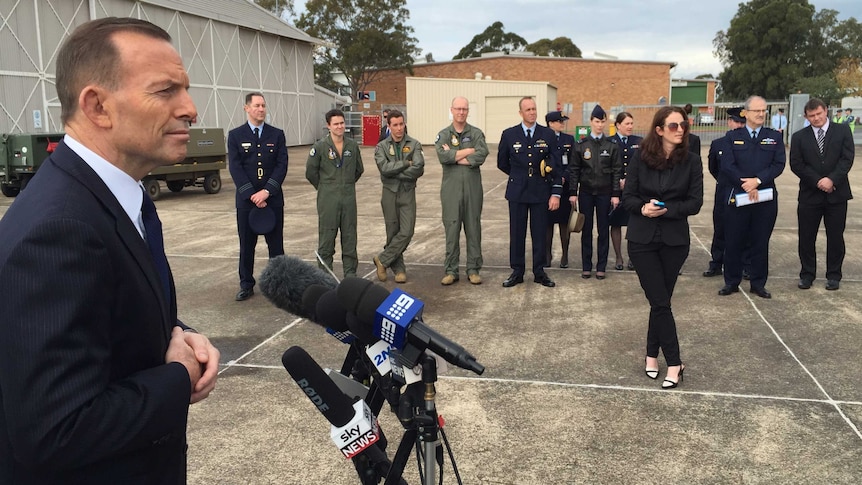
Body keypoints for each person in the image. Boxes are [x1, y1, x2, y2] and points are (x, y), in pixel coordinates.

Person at [0, 17, 219, 483]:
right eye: (165, 91)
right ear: (98, 106)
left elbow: (104, 313)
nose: (191, 108)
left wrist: (178, 331)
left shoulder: (123, 196)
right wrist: (177, 378)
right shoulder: (59, 230)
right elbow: (53, 431)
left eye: (186, 89)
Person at [622, 106, 703, 389]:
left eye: (683, 125)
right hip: (642, 240)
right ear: (659, 130)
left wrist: (665, 210)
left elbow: (695, 203)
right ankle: (676, 362)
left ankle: (650, 354)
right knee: (660, 301)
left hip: (674, 241)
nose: (680, 129)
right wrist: (643, 209)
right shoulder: (639, 158)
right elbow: (627, 197)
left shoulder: (691, 161)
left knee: (660, 302)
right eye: (673, 126)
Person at [718, 95, 786, 299]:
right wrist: (745, 183)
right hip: (738, 197)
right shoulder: (732, 137)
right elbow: (727, 165)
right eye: (756, 110)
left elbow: (778, 164)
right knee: (734, 241)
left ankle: (758, 283)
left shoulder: (774, 136)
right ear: (745, 113)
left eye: (764, 110)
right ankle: (731, 281)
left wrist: (757, 181)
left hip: (764, 198)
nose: (760, 114)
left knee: (760, 242)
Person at [228, 92, 288, 301]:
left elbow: (281, 165)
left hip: (272, 200)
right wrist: (251, 194)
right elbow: (235, 167)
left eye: (263, 105)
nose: (261, 109)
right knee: (246, 245)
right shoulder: (236, 135)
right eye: (257, 105)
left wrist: (267, 191)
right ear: (247, 108)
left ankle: (278, 285)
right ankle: (246, 284)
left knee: (276, 246)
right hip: (247, 202)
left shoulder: (277, 134)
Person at [790, 98, 855, 291]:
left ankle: (834, 275)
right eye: (812, 116)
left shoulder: (842, 131)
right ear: (806, 117)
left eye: (819, 113)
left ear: (826, 111)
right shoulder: (799, 137)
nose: (816, 118)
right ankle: (807, 274)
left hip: (837, 194)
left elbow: (847, 158)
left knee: (835, 236)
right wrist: (818, 181)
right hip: (810, 195)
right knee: (806, 237)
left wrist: (832, 179)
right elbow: (797, 164)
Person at [497, 97, 562, 288]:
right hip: (517, 192)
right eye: (528, 110)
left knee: (539, 233)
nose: (532, 112)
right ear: (521, 113)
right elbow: (502, 162)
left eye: (534, 109)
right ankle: (517, 272)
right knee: (517, 233)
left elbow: (556, 165)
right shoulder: (509, 134)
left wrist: (555, 193)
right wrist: (519, 176)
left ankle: (539, 272)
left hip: (540, 191)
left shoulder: (548, 134)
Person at [435, 96, 489, 285]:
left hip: (473, 190)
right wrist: (468, 151)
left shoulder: (476, 133)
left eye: (464, 109)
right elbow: (443, 155)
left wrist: (455, 155)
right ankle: (451, 270)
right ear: (452, 110)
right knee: (451, 228)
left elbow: (482, 153)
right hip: (451, 190)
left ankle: (473, 269)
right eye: (458, 109)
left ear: (468, 111)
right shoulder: (443, 134)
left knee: (473, 228)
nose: (461, 112)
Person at [306, 108, 364, 278]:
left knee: (349, 236)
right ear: (328, 126)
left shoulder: (352, 146)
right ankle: (324, 275)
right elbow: (310, 172)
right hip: (327, 200)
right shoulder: (320, 147)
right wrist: (325, 187)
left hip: (348, 198)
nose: (340, 127)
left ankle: (350, 274)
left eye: (342, 123)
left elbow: (359, 170)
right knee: (326, 237)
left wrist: (345, 184)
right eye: (336, 124)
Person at [569, 104, 622, 280]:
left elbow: (616, 171)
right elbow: (574, 169)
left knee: (603, 230)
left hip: (605, 193)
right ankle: (586, 266)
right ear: (591, 122)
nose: (600, 125)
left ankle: (601, 267)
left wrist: (615, 194)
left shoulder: (612, 145)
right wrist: (572, 192)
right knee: (586, 230)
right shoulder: (581, 145)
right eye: (597, 121)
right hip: (585, 192)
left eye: (602, 122)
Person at [373, 110, 425, 283]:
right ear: (389, 126)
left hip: (407, 192)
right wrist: (405, 163)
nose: (399, 128)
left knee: (407, 231)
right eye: (395, 125)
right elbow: (384, 169)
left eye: (401, 124)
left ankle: (382, 260)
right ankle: (399, 268)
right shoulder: (381, 146)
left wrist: (394, 171)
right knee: (392, 231)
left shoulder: (415, 144)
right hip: (389, 193)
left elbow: (418, 169)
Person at [702, 107, 747, 277]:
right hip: (724, 191)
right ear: (729, 122)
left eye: (742, 123)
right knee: (720, 227)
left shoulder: (751, 144)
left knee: (744, 230)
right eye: (736, 122)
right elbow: (714, 169)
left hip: (745, 191)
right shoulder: (718, 144)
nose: (739, 126)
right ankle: (716, 263)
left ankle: (745, 265)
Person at [608, 111, 642, 271]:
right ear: (618, 125)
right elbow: (605, 166)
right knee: (615, 223)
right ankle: (618, 257)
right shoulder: (610, 142)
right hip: (615, 189)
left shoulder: (639, 141)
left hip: (634, 190)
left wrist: (631, 181)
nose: (630, 126)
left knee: (633, 224)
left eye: (631, 123)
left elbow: (643, 165)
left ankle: (633, 258)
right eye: (627, 124)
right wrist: (617, 181)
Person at [544, 110, 575, 269]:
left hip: (565, 185)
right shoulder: (543, 138)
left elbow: (573, 162)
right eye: (559, 121)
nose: (562, 123)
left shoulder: (568, 139)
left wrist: (565, 177)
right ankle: (547, 255)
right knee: (547, 224)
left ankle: (565, 255)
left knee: (564, 223)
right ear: (550, 123)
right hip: (547, 186)